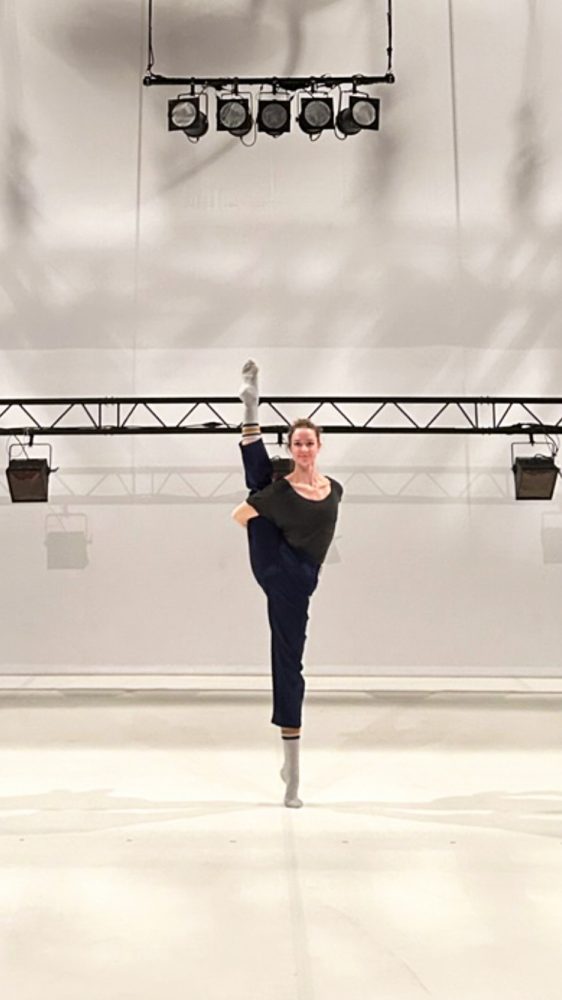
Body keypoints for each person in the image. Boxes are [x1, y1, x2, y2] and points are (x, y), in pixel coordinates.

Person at [231, 360, 343, 808]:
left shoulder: (335, 489)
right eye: (297, 443)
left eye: (309, 443)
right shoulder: (279, 491)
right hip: (277, 568)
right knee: (289, 662)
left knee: (260, 482)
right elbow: (240, 515)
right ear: (291, 448)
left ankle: (251, 408)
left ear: (319, 446)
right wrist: (260, 520)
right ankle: (293, 775)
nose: (303, 448)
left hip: (304, 575)